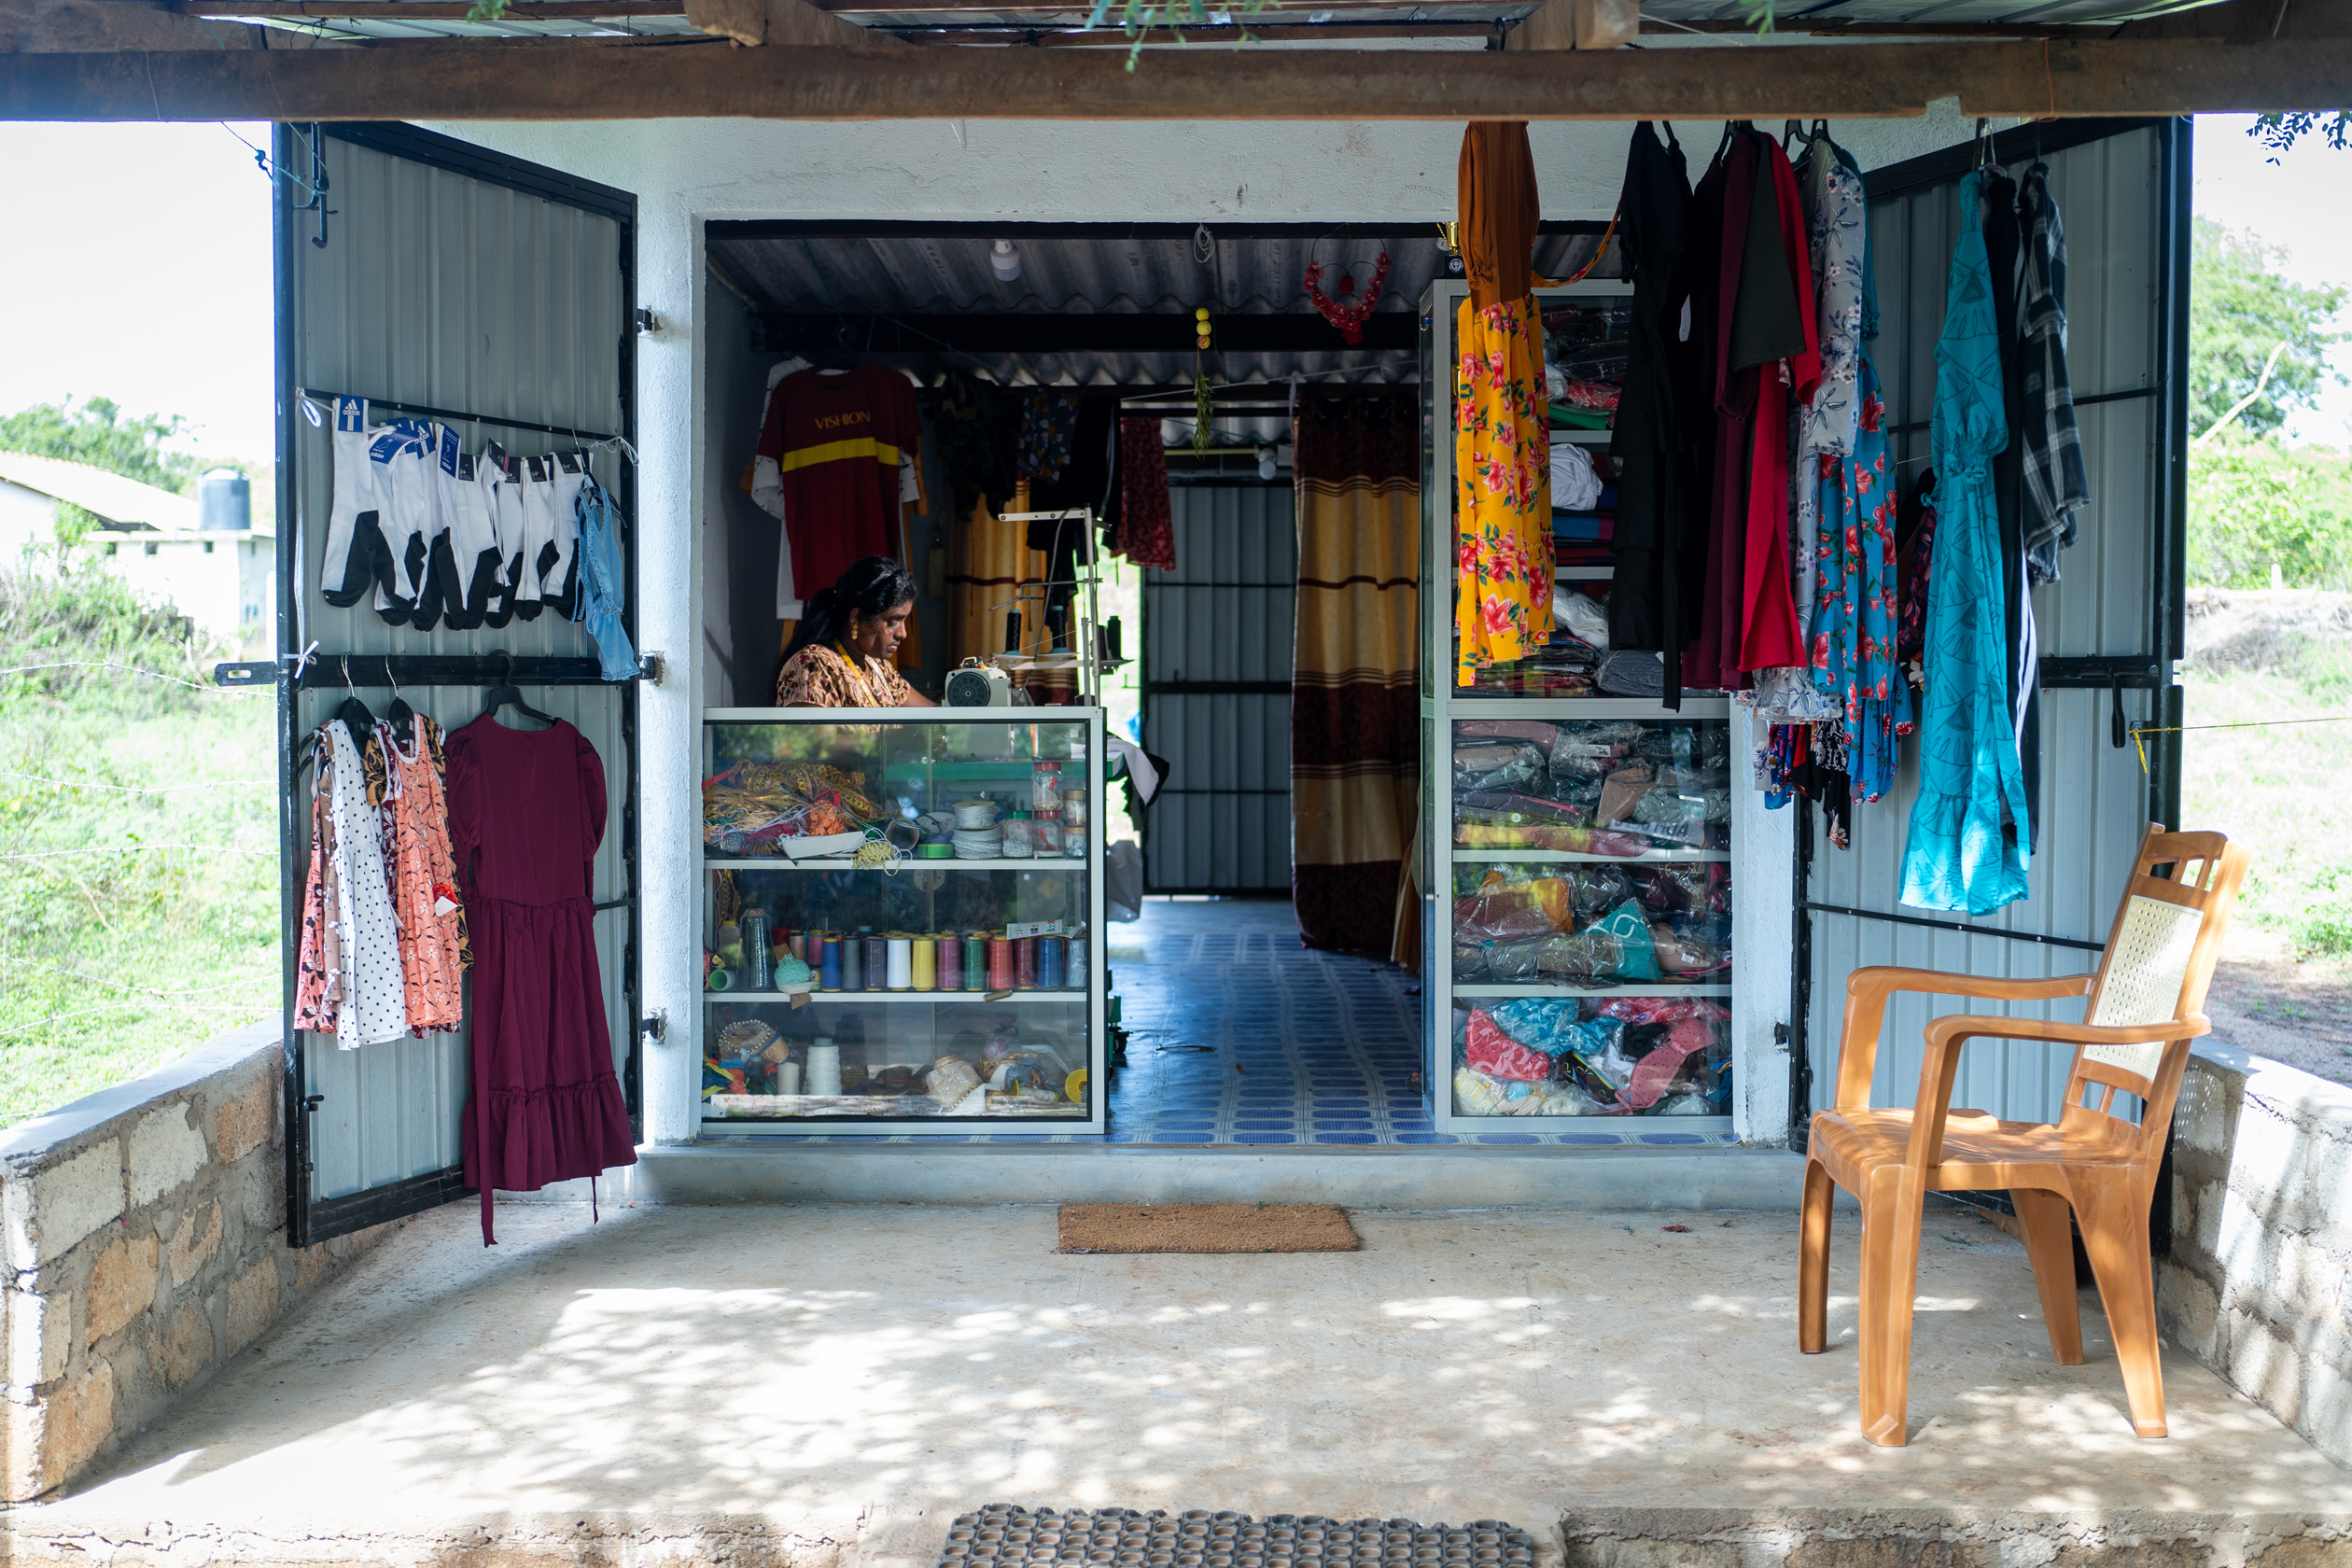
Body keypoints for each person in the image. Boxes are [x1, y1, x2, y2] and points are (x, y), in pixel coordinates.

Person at [775, 554, 936, 708]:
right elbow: (814, 729)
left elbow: (932, 713)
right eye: (892, 622)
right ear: (857, 618)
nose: (903, 634)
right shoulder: (815, 666)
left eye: (904, 621)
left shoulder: (878, 668)